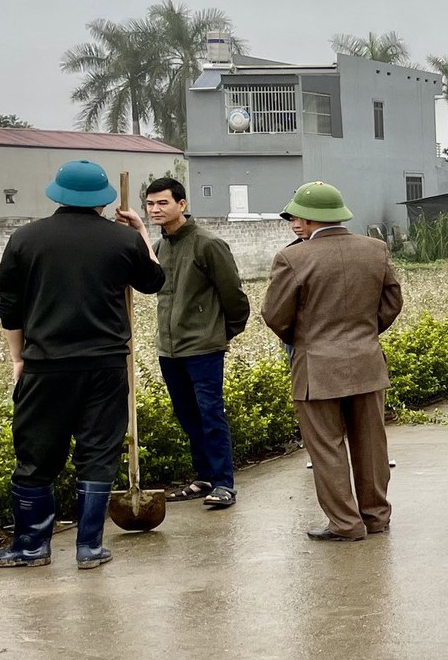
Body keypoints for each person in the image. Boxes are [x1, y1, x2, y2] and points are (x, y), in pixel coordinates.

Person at [0, 160, 164, 570]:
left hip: (45, 366)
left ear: (58, 195)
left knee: (35, 456)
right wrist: (139, 231)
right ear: (102, 200)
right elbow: (155, 281)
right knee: (98, 452)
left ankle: (31, 546)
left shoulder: (25, 238)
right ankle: (89, 548)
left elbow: (9, 308)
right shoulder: (121, 240)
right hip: (105, 366)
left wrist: (18, 358)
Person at [262, 182, 404, 542]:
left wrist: (305, 339)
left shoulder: (292, 258)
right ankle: (375, 517)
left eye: (296, 216)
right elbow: (392, 302)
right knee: (372, 443)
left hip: (317, 368)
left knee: (326, 447)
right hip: (367, 362)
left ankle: (344, 523)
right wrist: (366, 333)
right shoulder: (375, 249)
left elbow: (275, 314)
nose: (294, 222)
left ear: (309, 220)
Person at [144, 175, 248, 510]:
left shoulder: (207, 243)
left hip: (203, 349)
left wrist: (220, 333)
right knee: (187, 414)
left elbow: (234, 296)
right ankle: (203, 477)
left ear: (182, 205)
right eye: (150, 204)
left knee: (210, 413)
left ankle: (223, 483)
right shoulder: (160, 247)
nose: (155, 209)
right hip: (169, 348)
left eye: (163, 203)